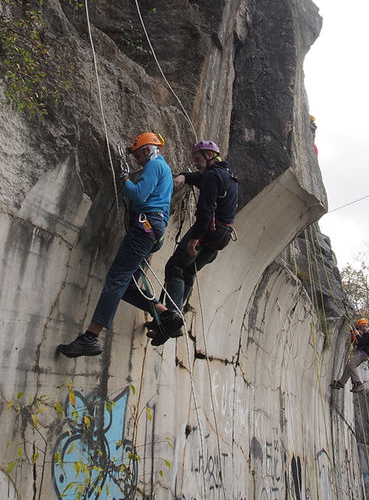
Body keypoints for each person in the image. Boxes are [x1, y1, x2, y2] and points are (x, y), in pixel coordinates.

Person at [57, 132, 183, 358]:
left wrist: (124, 180)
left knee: (117, 279)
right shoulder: (163, 168)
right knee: (125, 287)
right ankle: (165, 315)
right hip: (152, 228)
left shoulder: (154, 166)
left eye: (137, 155)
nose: (137, 160)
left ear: (147, 150)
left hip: (145, 227)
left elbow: (140, 196)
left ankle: (91, 337)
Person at [147, 139, 239, 346]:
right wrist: (186, 176)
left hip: (208, 232)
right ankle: (169, 321)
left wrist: (195, 239)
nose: (195, 163)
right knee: (188, 272)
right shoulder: (228, 177)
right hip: (222, 236)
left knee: (175, 267)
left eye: (197, 159)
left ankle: (171, 321)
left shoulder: (213, 176)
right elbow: (201, 178)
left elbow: (205, 212)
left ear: (209, 156)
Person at [330, 318, 369, 393]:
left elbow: (362, 342)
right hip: (361, 353)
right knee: (348, 366)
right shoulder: (366, 334)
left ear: (364, 326)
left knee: (351, 365)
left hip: (363, 354)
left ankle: (358, 383)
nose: (360, 329)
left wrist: (357, 335)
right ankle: (341, 382)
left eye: (361, 327)